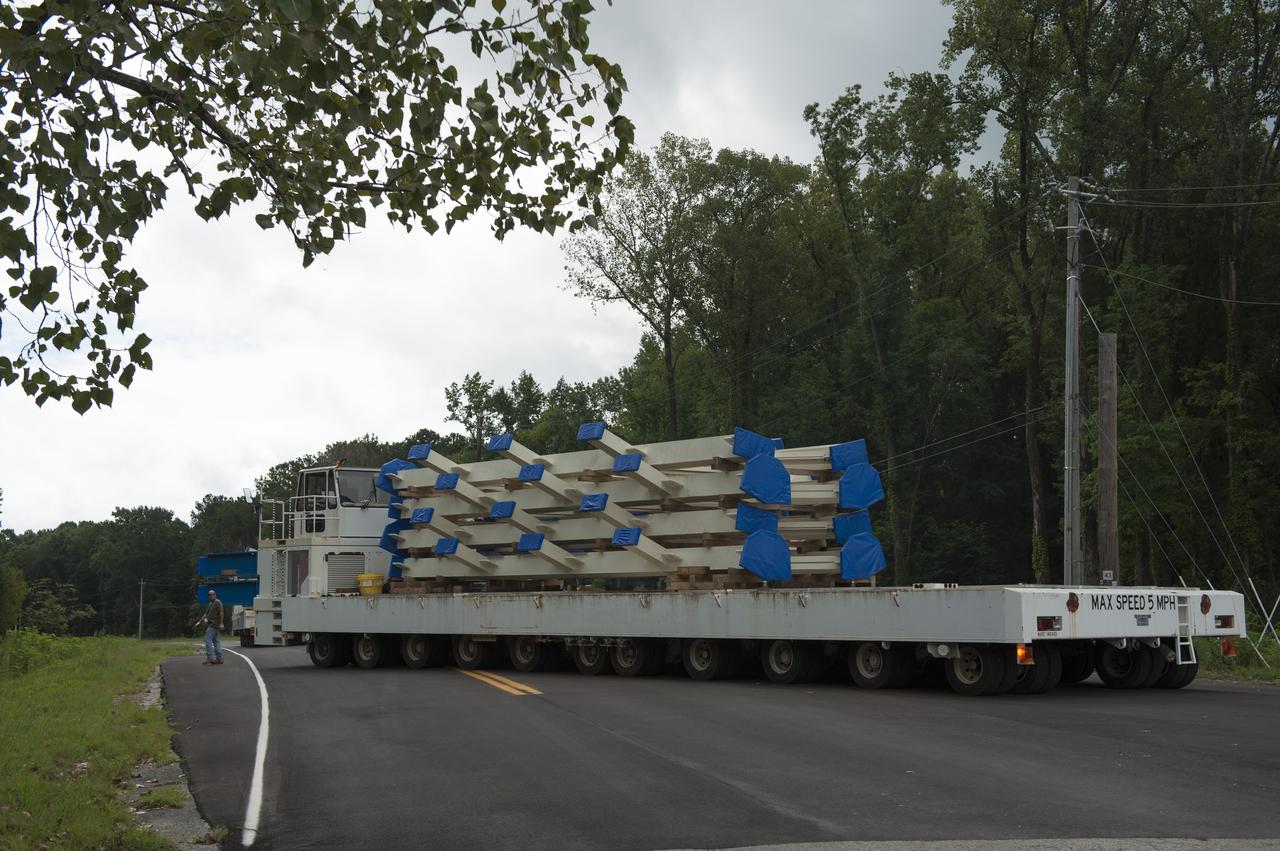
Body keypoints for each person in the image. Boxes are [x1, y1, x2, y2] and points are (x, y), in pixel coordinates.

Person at [197, 589, 225, 665]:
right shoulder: (210, 604)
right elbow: (206, 614)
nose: (211, 596)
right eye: (209, 595)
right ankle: (219, 658)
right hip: (212, 625)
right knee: (216, 641)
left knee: (207, 639)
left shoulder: (217, 602)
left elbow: (221, 612)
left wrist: (221, 623)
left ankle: (210, 658)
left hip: (214, 625)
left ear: (215, 595)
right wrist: (199, 621)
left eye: (213, 594)